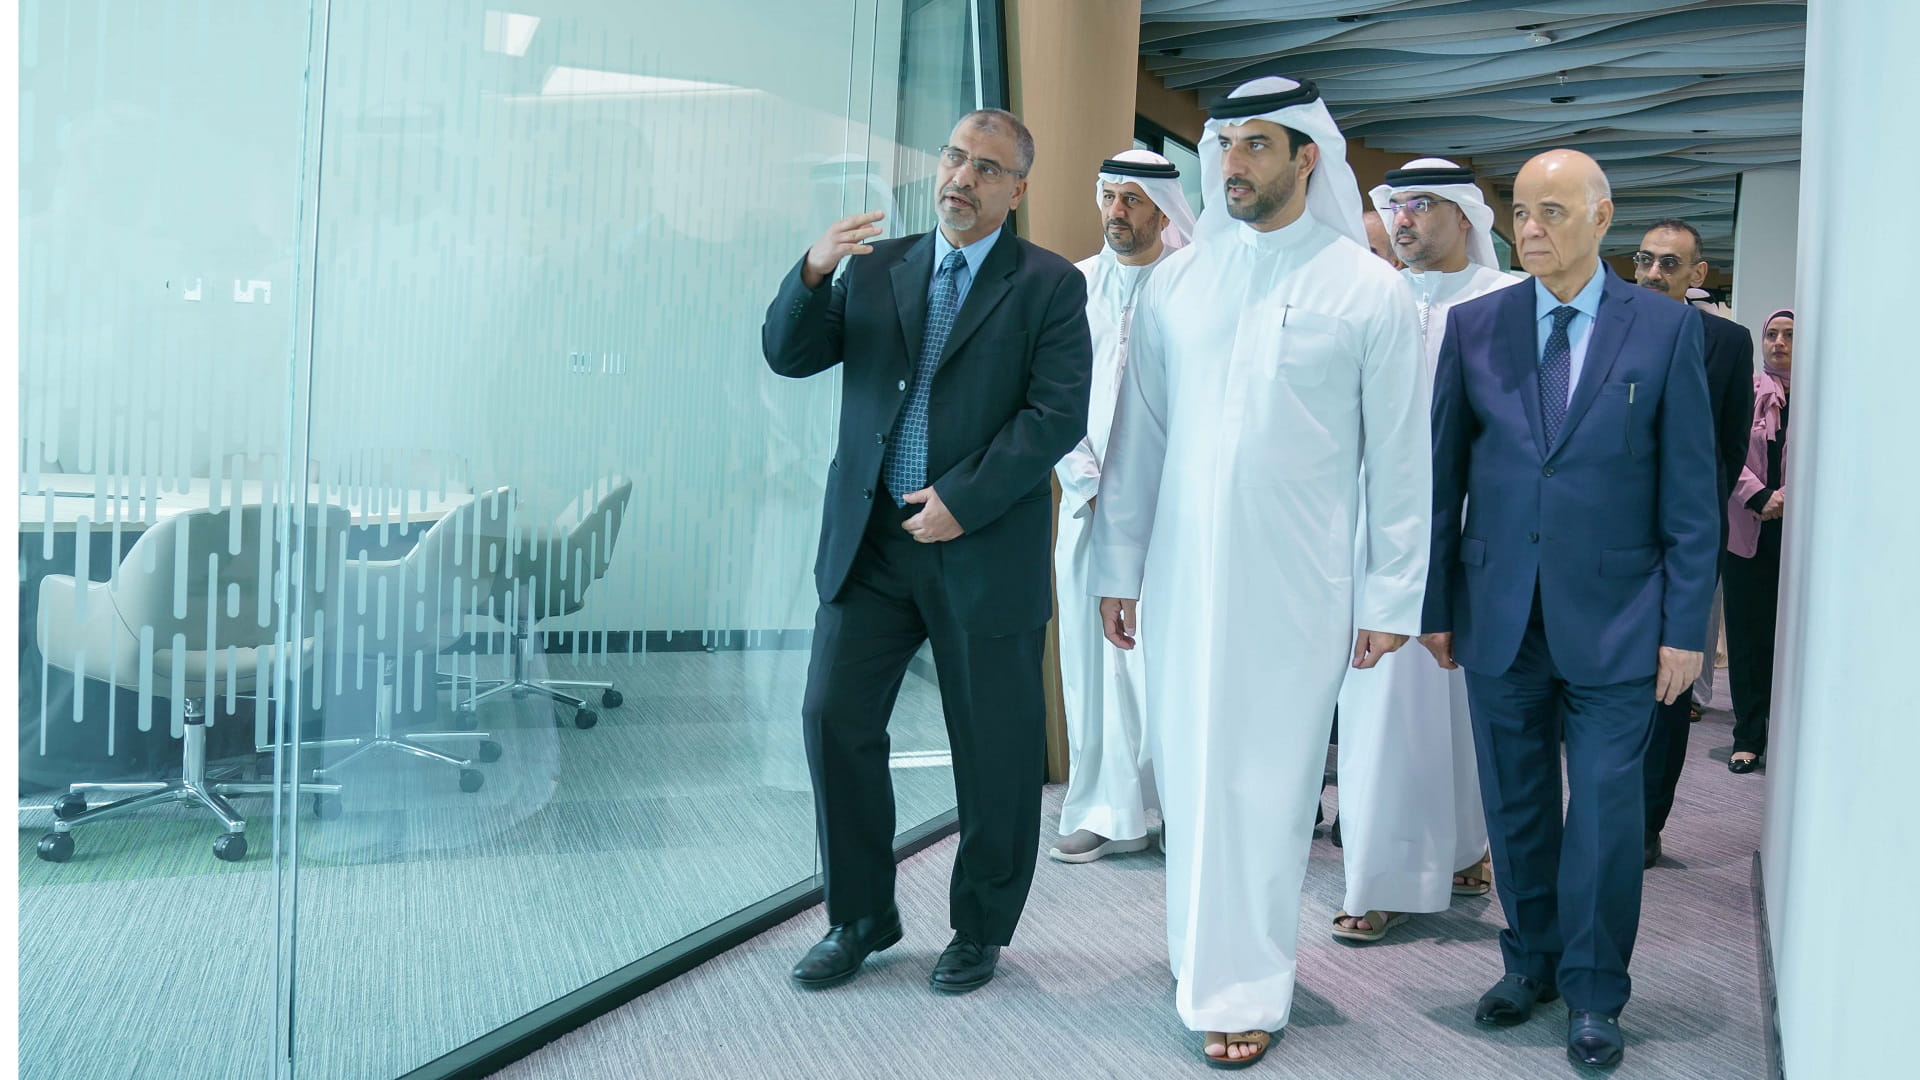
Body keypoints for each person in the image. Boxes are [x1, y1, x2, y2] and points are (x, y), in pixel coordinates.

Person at [1091, 76, 1429, 1068]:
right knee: (1193, 779)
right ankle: (1206, 957)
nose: (1232, 166)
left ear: (1306, 158)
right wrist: (1118, 565)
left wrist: (1391, 593)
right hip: (1182, 580)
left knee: (1269, 784)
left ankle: (1243, 985)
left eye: (1255, 148)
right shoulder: (1178, 284)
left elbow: (1401, 463)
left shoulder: (1368, 287)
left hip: (1301, 586)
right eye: (1224, 146)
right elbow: (1137, 441)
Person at [762, 108, 1092, 995]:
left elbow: (1055, 416)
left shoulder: (1050, 286)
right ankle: (860, 917)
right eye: (953, 158)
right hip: (870, 545)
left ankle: (980, 929)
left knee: (993, 746)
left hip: (977, 546)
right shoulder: (878, 269)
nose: (961, 177)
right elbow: (789, 355)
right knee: (832, 718)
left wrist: (965, 498)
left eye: (986, 168)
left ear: (1016, 190)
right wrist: (813, 271)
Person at [1420, 149, 1718, 1071]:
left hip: (1623, 620)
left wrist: (1684, 629)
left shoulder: (1665, 333)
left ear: (1602, 217)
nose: (1532, 227)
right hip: (1500, 611)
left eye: (1553, 209)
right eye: (1520, 210)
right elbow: (1444, 481)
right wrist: (1436, 604)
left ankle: (1595, 991)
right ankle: (1532, 965)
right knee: (1516, 810)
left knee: (1603, 816)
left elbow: (1692, 497)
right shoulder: (1475, 327)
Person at [1329, 159, 1518, 944]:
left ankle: (1470, 847)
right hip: (1371, 528)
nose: (1401, 220)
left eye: (1419, 206)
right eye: (1393, 206)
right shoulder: (1373, 294)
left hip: (1475, 532)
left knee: (1468, 704)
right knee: (1381, 703)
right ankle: (1376, 876)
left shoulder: (1506, 303)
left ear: (1466, 216)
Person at [1049, 150, 1196, 864]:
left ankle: (1175, 806)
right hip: (1087, 504)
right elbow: (1047, 396)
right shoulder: (1070, 286)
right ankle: (1106, 808)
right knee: (1093, 663)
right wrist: (1089, 480)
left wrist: (1151, 490)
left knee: (1168, 661)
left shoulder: (1197, 288)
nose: (1117, 212)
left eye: (1133, 199)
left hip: (1174, 514)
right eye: (1109, 196)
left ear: (1166, 210)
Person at [1630, 219, 1756, 864]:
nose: (1653, 274)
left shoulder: (1727, 343)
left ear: (1696, 276)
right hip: (1607, 536)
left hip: (1684, 541)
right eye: (1645, 261)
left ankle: (1647, 822)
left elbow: (1731, 445)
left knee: (1672, 679)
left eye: (1669, 265)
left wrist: (1697, 526)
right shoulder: (1604, 324)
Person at [1724, 309, 1794, 774]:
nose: (1779, 343)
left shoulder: (1821, 397)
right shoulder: (1747, 391)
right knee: (1748, 638)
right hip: (1747, 531)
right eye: (1771, 334)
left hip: (1800, 537)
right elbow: (1724, 448)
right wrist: (1762, 496)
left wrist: (1793, 497)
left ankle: (1791, 736)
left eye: (1790, 335)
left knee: (1793, 640)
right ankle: (1748, 736)